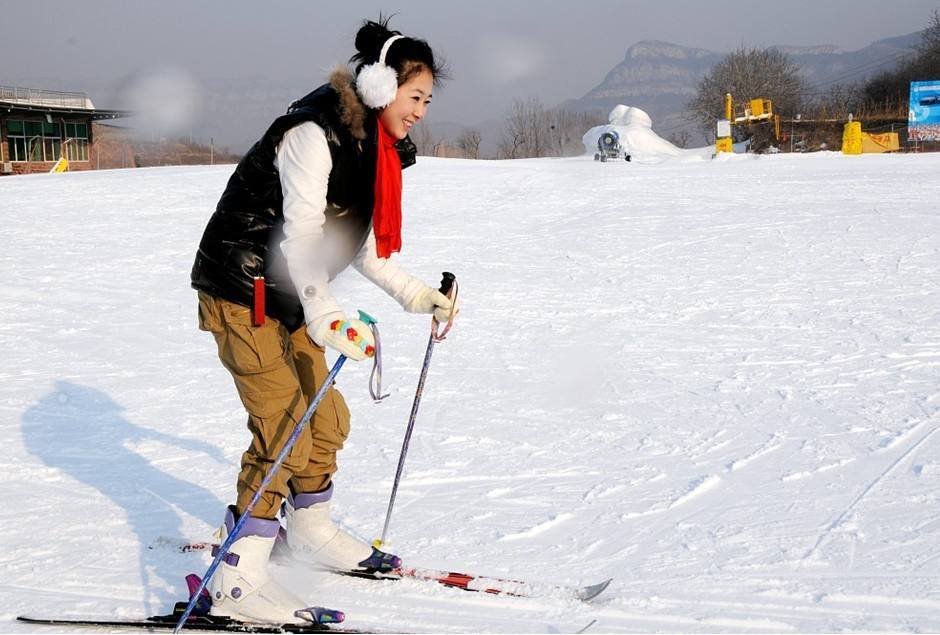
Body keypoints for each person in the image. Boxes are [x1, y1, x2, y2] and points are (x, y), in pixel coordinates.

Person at [189, 17, 453, 624]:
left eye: (427, 101)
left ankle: (308, 531)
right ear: (383, 88)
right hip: (244, 290)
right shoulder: (314, 134)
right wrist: (327, 314)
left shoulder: (369, 147)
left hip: (291, 296)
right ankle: (236, 582)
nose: (420, 112)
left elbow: (352, 244)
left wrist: (415, 295)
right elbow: (304, 237)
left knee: (325, 421)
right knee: (286, 427)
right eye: (415, 98)